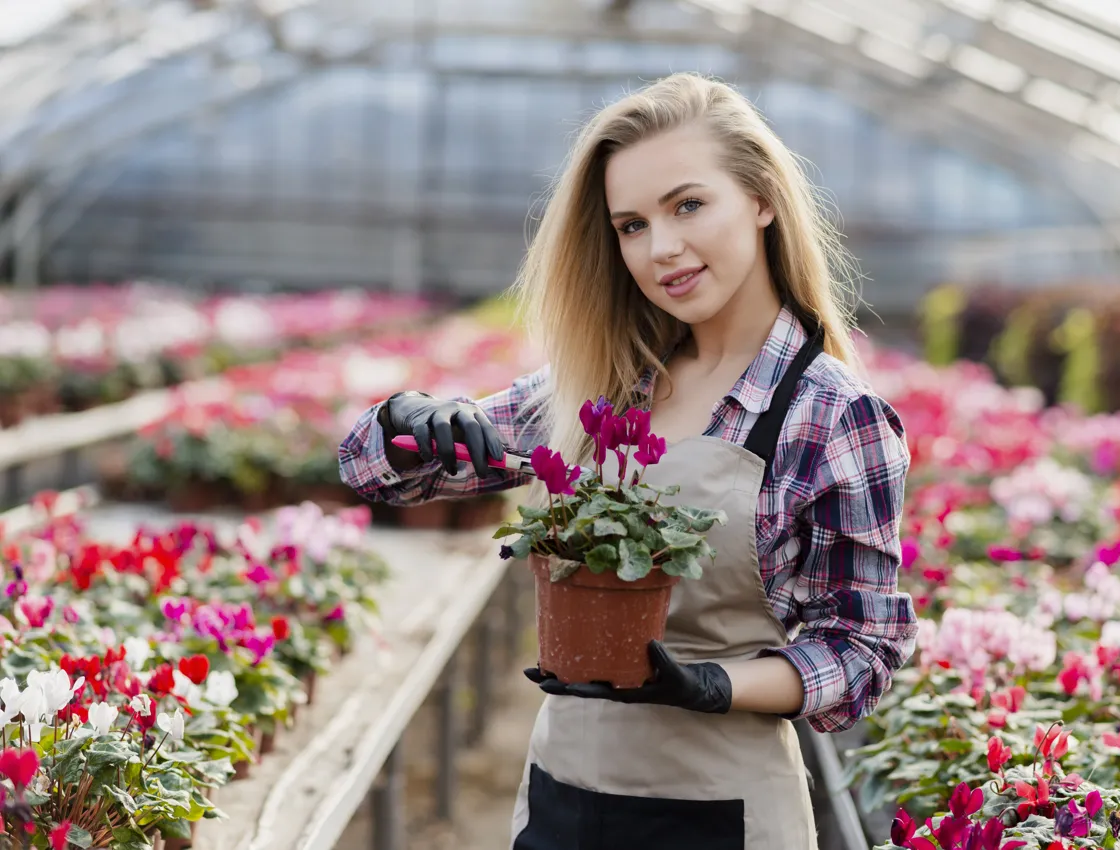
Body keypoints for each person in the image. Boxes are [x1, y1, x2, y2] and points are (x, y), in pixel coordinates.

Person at [338, 72, 917, 850]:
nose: (661, 249)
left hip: (721, 814)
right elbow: (373, 472)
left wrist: (713, 685)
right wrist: (409, 419)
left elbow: (860, 650)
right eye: (631, 225)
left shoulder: (830, 414)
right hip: (563, 800)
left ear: (762, 199)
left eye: (688, 205)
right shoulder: (610, 384)